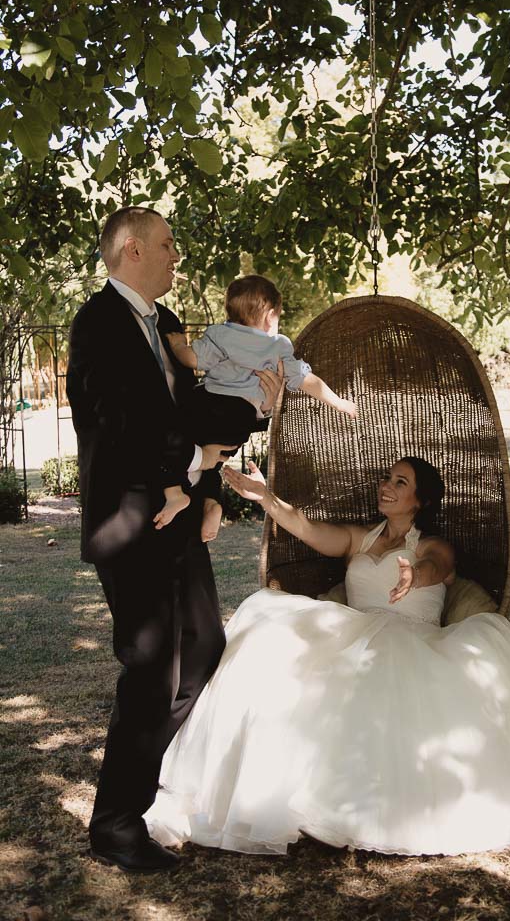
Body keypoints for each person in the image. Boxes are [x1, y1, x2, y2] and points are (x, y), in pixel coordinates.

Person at [143, 456, 510, 856]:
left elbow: (431, 568)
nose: (387, 486)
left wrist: (413, 578)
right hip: (351, 628)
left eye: (399, 482)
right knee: (266, 620)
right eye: (386, 478)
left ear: (419, 500)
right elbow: (308, 529)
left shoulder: (436, 544)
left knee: (376, 677)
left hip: (412, 638)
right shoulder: (362, 537)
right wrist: (264, 497)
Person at [66, 206, 284, 873]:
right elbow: (119, 422)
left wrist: (254, 407)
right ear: (130, 250)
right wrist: (189, 463)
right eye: (166, 245)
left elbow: (188, 408)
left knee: (203, 653)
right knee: (151, 667)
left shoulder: (162, 323)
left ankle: (139, 792)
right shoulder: (98, 323)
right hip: (131, 523)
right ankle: (117, 825)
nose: (175, 256)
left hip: (179, 517)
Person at [154, 274, 357, 530]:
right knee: (214, 456)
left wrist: (178, 345)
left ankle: (175, 494)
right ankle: (211, 503)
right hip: (242, 419)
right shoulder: (277, 348)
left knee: (173, 433)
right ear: (271, 315)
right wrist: (339, 402)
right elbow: (308, 381)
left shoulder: (220, 335)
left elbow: (192, 360)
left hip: (210, 404)